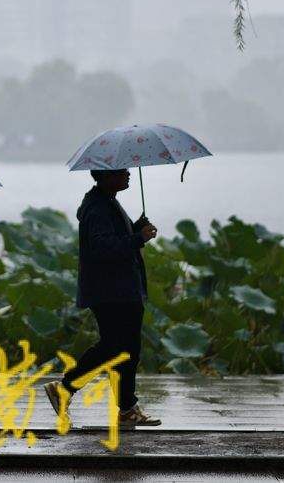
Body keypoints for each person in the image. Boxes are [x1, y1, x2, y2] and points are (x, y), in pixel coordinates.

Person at [44, 168, 162, 427]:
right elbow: (101, 248)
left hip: (120, 289)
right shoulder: (97, 208)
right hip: (112, 291)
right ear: (108, 176)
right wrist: (138, 238)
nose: (129, 174)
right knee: (114, 348)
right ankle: (65, 388)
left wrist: (135, 228)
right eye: (123, 171)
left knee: (126, 350)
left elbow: (112, 238)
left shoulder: (105, 201)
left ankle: (127, 408)